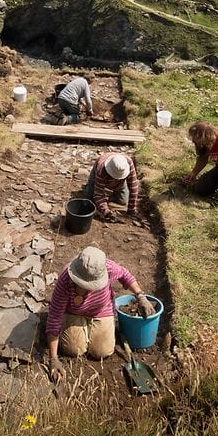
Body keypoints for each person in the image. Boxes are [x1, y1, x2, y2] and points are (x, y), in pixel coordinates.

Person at [46, 246, 155, 382]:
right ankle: (82, 328)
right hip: (74, 313)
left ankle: (91, 329)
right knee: (74, 350)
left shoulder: (108, 268)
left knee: (102, 352)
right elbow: (54, 319)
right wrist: (53, 359)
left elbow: (125, 275)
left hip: (101, 310)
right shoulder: (65, 281)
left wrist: (140, 296)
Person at [85, 153, 140, 222]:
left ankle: (113, 192)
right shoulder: (101, 169)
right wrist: (106, 212)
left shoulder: (128, 163)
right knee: (89, 197)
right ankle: (93, 186)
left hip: (120, 182)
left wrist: (131, 209)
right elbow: (98, 195)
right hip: (100, 174)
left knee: (123, 201)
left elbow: (133, 187)